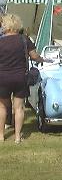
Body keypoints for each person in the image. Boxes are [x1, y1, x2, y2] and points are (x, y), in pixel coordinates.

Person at [0, 14, 49, 143]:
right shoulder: (24, 39)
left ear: (5, 25)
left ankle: (1, 136)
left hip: (3, 77)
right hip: (20, 77)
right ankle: (17, 137)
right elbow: (34, 56)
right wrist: (42, 59)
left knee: (2, 107)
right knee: (19, 108)